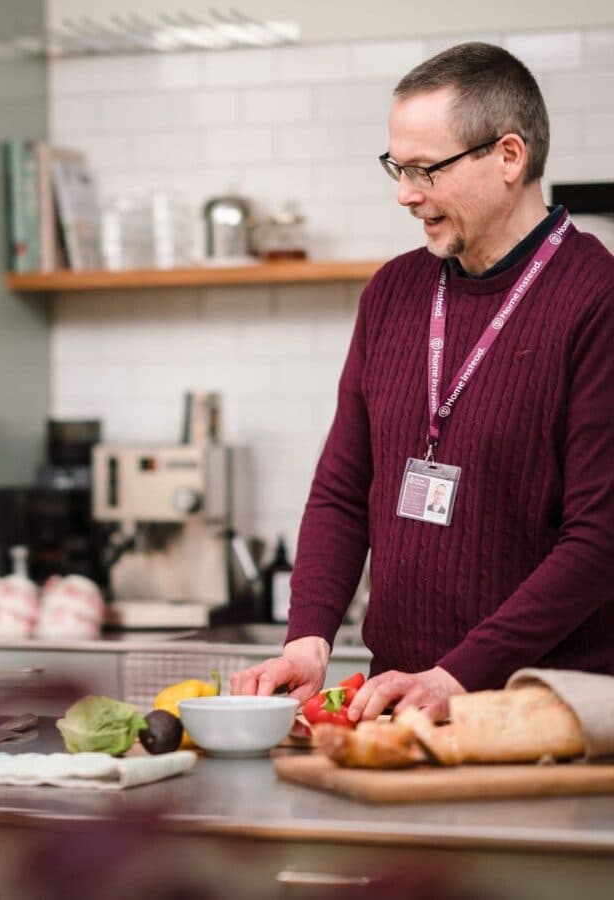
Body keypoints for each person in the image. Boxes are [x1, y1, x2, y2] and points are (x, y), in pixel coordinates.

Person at [231, 43, 614, 722]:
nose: (406, 193)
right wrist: (308, 640)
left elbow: (599, 539)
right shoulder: (392, 292)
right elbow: (344, 491)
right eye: (397, 167)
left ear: (508, 157)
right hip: (398, 707)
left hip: (537, 717)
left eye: (425, 169)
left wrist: (455, 676)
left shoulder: (597, 299)